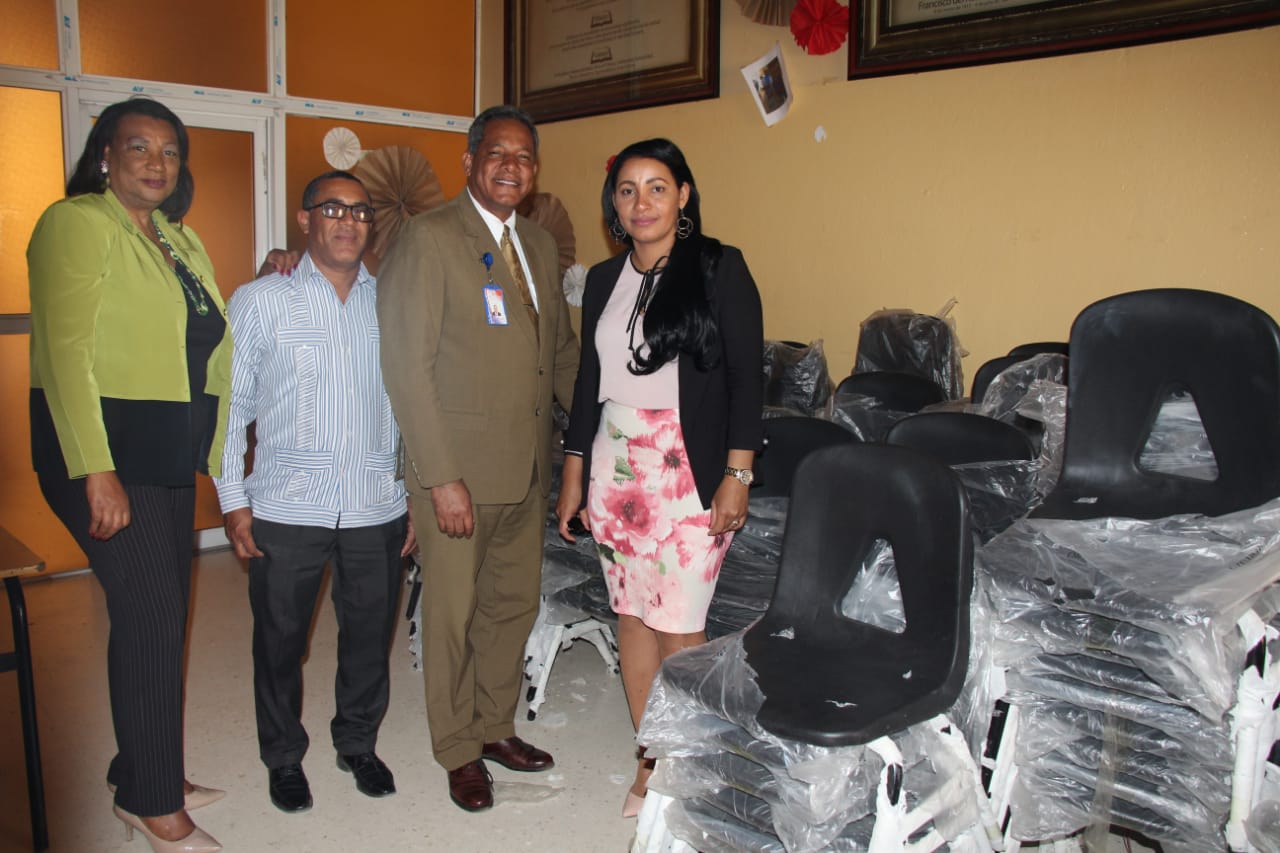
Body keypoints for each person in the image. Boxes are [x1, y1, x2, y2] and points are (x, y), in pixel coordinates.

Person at [27, 97, 228, 853]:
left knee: (158, 616)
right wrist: (96, 469)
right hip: (104, 452)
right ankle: (150, 804)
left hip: (164, 451)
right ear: (105, 155)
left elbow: (203, 336)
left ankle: (142, 767)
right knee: (151, 618)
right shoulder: (76, 223)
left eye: (170, 150)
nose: (156, 162)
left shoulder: (178, 237)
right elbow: (64, 354)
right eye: (138, 146)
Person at [375, 105, 579, 812]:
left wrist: (598, 432)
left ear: (534, 170)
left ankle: (494, 725)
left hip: (526, 468)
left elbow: (559, 354)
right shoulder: (429, 238)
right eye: (497, 154)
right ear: (469, 162)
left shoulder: (540, 246)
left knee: (511, 607)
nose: (510, 167)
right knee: (453, 614)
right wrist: (440, 476)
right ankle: (458, 748)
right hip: (457, 473)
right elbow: (407, 367)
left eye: (523, 157)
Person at [555, 138, 763, 817]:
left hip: (687, 467)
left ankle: (691, 766)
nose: (641, 202)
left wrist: (738, 472)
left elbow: (747, 378)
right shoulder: (602, 279)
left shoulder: (718, 267)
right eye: (627, 190)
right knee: (632, 614)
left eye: (656, 187)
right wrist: (574, 469)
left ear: (683, 196)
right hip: (615, 463)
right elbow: (588, 382)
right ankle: (650, 760)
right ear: (613, 204)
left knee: (679, 624)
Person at [214, 171, 415, 814]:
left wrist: (409, 491)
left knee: (369, 637)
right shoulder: (260, 300)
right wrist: (232, 498)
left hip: (374, 503)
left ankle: (357, 743)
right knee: (279, 642)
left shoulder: (390, 302)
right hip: (286, 504)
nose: (348, 222)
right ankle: (282, 755)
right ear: (305, 220)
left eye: (360, 211)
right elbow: (230, 407)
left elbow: (407, 404)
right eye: (333, 209)